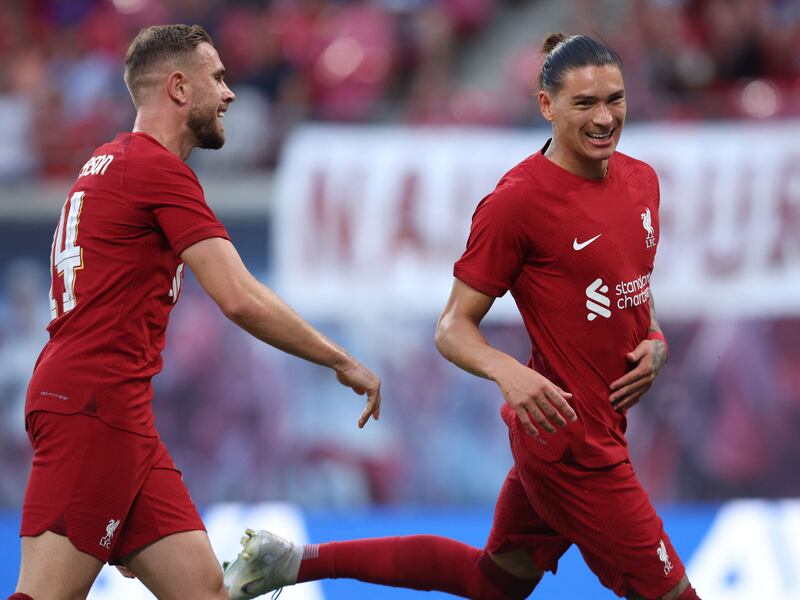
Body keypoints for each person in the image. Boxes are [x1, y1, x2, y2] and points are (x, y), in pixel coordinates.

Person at [222, 33, 702, 600]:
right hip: (572, 445)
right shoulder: (516, 203)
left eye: (614, 100)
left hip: (590, 430)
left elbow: (630, 290)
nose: (604, 118)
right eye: (584, 104)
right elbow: (452, 329)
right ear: (546, 106)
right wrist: (509, 372)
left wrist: (656, 338)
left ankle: (291, 561)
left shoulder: (642, 180)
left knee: (493, 581)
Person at [10, 24, 381, 600]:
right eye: (218, 77)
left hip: (112, 409)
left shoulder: (102, 164)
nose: (229, 93)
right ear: (180, 88)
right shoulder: (158, 171)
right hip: (94, 407)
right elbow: (238, 296)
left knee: (206, 594)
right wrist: (339, 360)